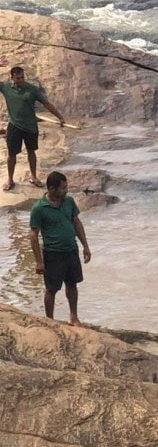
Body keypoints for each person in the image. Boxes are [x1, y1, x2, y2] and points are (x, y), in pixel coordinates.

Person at [30, 170, 92, 326]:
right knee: (51, 289)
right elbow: (33, 235)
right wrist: (39, 261)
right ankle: (49, 320)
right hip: (53, 254)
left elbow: (76, 223)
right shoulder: (39, 208)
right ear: (51, 189)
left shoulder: (69, 201)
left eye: (66, 187)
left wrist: (85, 246)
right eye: (63, 188)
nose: (66, 190)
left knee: (72, 284)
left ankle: (74, 317)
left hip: (71, 250)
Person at [2, 65, 66, 191]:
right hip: (14, 126)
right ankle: (10, 179)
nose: (21, 80)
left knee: (31, 152)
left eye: (22, 77)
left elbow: (47, 103)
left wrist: (60, 117)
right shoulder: (5, 87)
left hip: (30, 126)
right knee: (12, 154)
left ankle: (34, 177)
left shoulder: (33, 90)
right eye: (18, 78)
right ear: (12, 77)